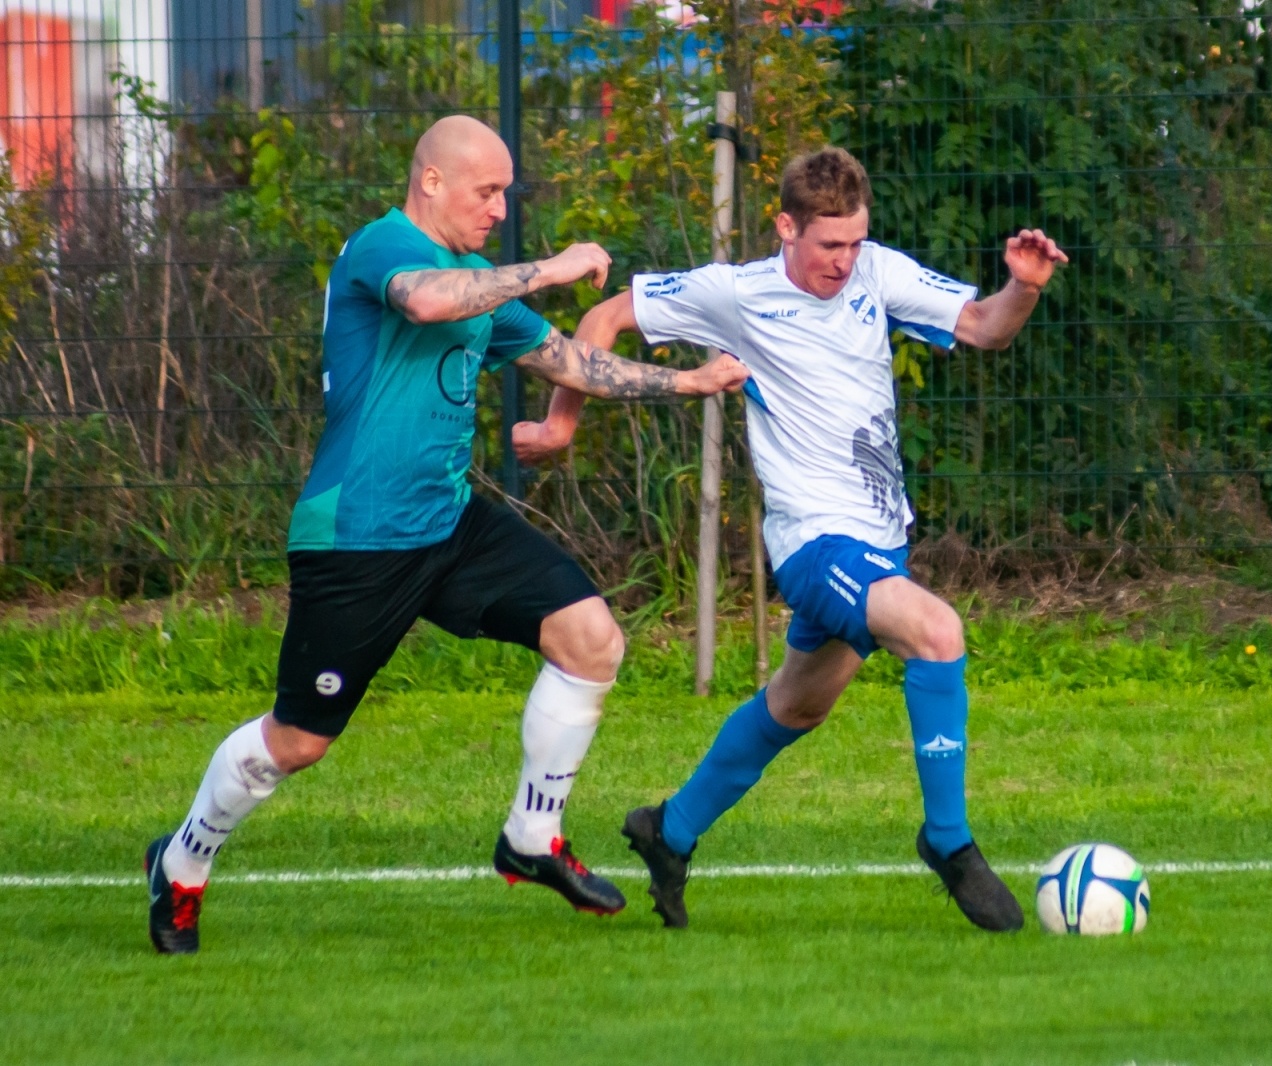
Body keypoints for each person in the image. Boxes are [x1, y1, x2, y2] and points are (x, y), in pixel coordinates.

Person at [143, 115, 748, 955]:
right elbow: (428, 300)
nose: (500, 208)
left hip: (449, 520)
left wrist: (694, 380)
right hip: (357, 536)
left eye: (506, 194)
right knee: (298, 742)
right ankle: (181, 862)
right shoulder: (382, 249)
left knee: (590, 638)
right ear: (431, 181)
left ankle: (531, 839)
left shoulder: (479, 280)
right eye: (487, 191)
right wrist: (556, 267)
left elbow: (570, 363)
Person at [515, 146, 1067, 932]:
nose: (843, 261)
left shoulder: (877, 272)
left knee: (798, 706)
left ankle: (667, 833)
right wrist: (561, 423)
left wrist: (1024, 287)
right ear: (785, 227)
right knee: (938, 633)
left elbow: (983, 329)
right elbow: (606, 317)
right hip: (813, 543)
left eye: (853, 242)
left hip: (879, 539)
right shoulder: (737, 292)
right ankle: (948, 840)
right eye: (827, 245)